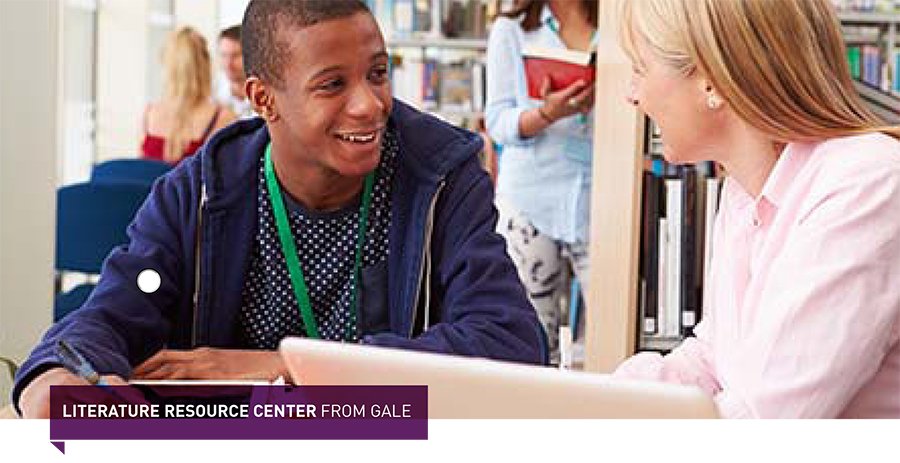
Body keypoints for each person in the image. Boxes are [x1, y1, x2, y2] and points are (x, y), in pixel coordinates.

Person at [14, 0, 546, 418]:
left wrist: (287, 368)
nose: (369, 104)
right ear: (263, 98)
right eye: (333, 84)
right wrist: (53, 376)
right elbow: (117, 310)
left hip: (388, 437)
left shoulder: (441, 179)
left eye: (378, 73)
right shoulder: (196, 192)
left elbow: (508, 343)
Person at [615, 0, 900, 418]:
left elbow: (767, 417)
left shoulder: (866, 185)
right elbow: (715, 359)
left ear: (710, 82)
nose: (631, 94)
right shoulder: (745, 193)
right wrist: (601, 399)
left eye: (640, 68)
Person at [485, 0, 597, 365]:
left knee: (609, 338)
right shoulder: (512, 29)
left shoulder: (616, 27)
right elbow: (498, 121)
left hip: (601, 201)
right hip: (530, 201)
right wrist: (547, 113)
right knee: (529, 341)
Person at [141, 27, 236, 164]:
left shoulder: (148, 115)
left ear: (166, 65)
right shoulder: (223, 118)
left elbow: (139, 175)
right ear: (205, 64)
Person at [215, 25, 256, 119]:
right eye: (224, 55)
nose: (228, 64)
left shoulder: (266, 92)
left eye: (236, 55)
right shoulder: (213, 92)